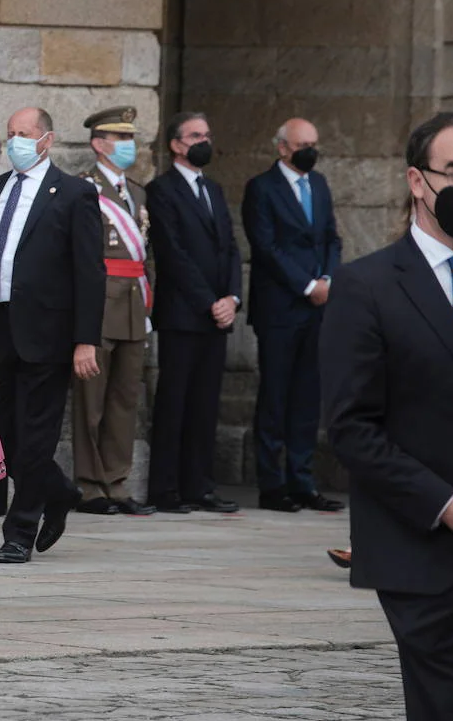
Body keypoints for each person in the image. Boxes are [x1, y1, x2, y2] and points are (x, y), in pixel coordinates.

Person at [321, 112, 453, 721]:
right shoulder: (368, 286)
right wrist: (447, 505)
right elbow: (352, 426)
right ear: (417, 180)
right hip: (420, 545)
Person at [0, 107, 105, 563]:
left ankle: (20, 530)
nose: (14, 143)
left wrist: (86, 339)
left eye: (23, 134)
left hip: (47, 333)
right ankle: (60, 490)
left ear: (46, 140)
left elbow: (90, 272)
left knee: (36, 435)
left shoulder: (73, 194)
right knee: (3, 432)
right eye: (10, 134)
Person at [242, 118, 345, 513]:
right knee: (275, 395)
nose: (309, 150)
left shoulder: (318, 185)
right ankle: (272, 484)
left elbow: (331, 237)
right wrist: (307, 286)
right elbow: (266, 247)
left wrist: (328, 279)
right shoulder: (261, 188)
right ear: (282, 147)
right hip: (281, 308)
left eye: (314, 143)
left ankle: (303, 482)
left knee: (307, 397)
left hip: (319, 306)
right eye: (303, 144)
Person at [145, 112, 242, 514]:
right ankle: (166, 490)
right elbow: (173, 255)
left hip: (216, 316)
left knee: (205, 404)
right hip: (183, 314)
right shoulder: (162, 190)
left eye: (207, 133)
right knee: (175, 402)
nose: (204, 140)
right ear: (177, 144)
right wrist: (208, 300)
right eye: (196, 135)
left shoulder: (214, 189)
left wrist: (232, 297)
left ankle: (199, 486)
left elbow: (232, 248)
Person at [71, 107, 157, 517]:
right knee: (92, 400)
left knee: (125, 397)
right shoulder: (84, 188)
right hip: (100, 305)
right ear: (99, 144)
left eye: (130, 139)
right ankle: (90, 487)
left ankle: (117, 482)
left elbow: (145, 255)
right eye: (121, 139)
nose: (129, 146)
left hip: (133, 305)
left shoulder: (137, 192)